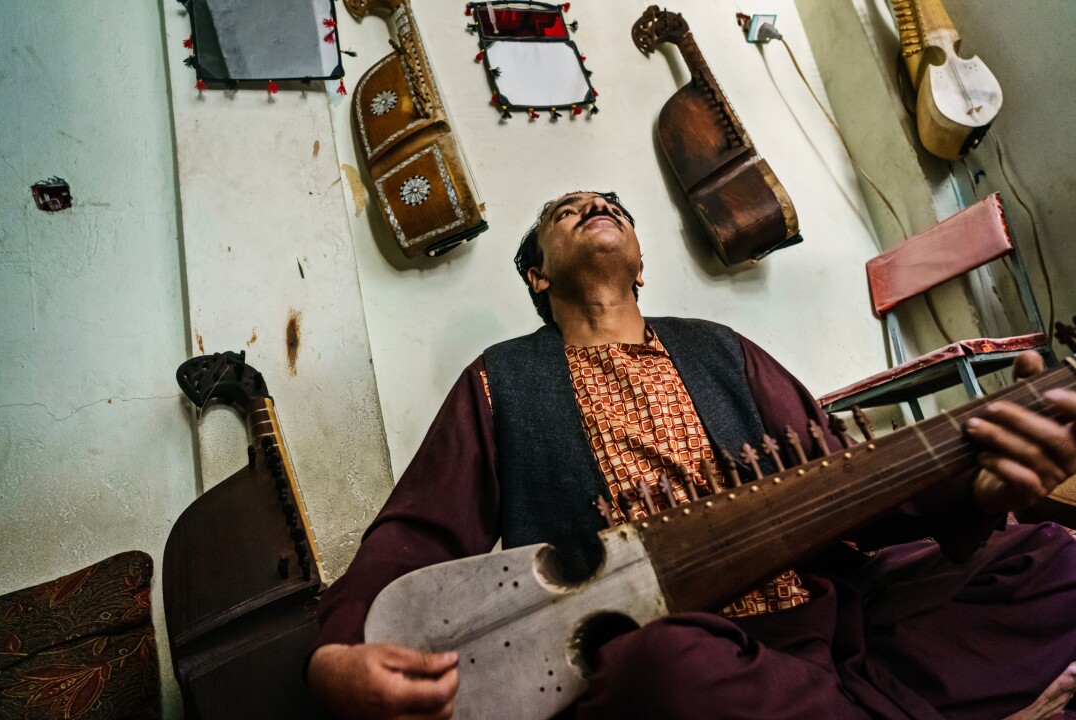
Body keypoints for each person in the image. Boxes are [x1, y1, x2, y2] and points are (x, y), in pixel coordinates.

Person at [308, 191, 1076, 719]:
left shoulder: (722, 350)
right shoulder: (501, 380)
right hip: (684, 657)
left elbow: (848, 480)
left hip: (823, 610)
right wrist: (335, 656)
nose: (594, 206)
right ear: (539, 275)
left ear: (641, 264)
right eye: (564, 211)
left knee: (1053, 562)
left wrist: (973, 491)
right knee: (667, 673)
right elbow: (414, 535)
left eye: (612, 205)